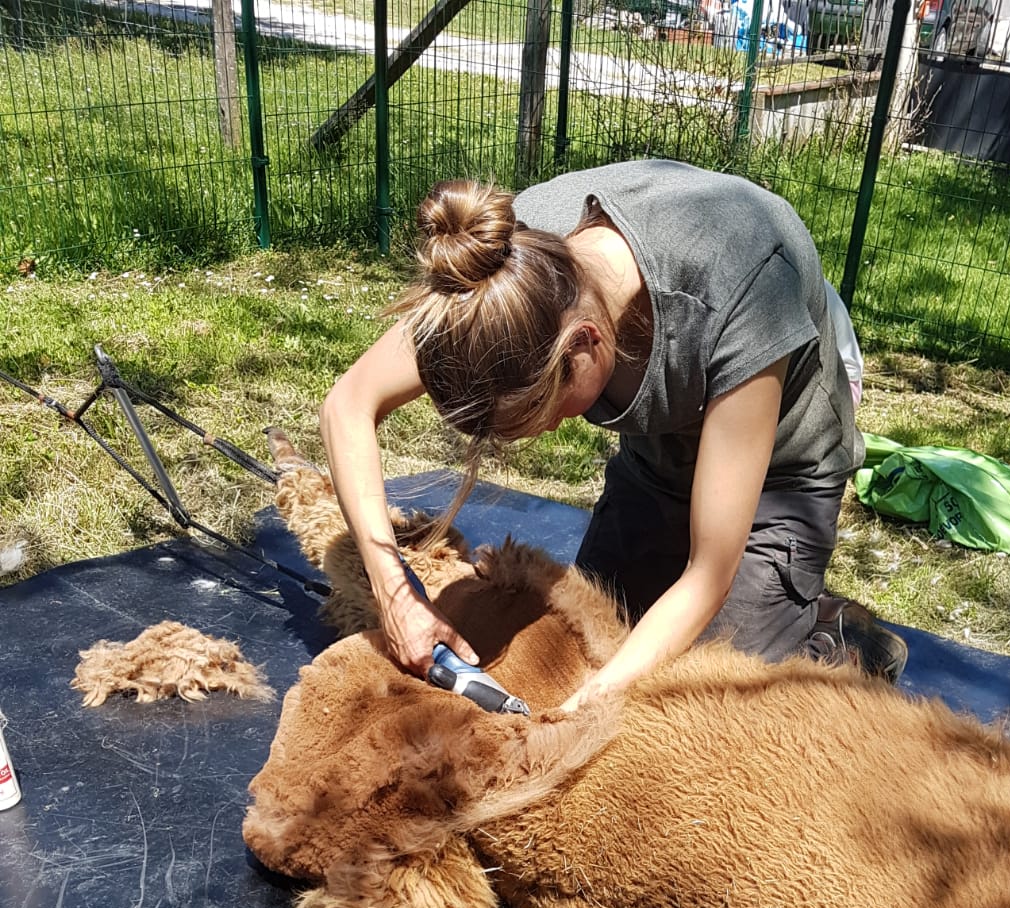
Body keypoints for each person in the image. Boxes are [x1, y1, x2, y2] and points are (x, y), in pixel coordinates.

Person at [318, 159, 906, 709]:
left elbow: (708, 575)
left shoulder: (740, 285)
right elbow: (348, 405)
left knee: (705, 703)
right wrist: (395, 595)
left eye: (546, 415)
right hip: (661, 453)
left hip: (781, 468)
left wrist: (584, 711)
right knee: (579, 644)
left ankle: (828, 638)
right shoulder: (504, 274)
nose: (547, 431)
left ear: (586, 344)